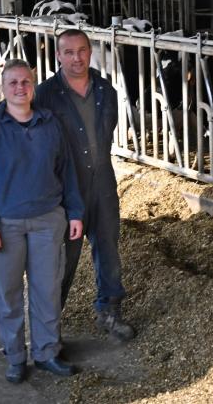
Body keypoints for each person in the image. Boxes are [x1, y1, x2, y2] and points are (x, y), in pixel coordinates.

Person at [0, 59, 85, 384]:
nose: (20, 88)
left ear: (33, 86)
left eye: (26, 82)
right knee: (8, 293)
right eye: (13, 83)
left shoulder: (50, 123)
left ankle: (47, 353)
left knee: (47, 290)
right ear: (3, 88)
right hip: (6, 225)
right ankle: (16, 357)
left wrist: (74, 212)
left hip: (48, 220)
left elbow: (68, 171)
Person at [34, 29, 135, 342]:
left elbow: (106, 136)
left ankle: (110, 312)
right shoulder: (45, 95)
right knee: (62, 259)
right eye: (69, 52)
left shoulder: (106, 90)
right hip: (65, 191)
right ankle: (47, 328)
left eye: (82, 50)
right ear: (58, 56)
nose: (76, 58)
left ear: (90, 52)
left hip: (102, 183)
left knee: (109, 251)